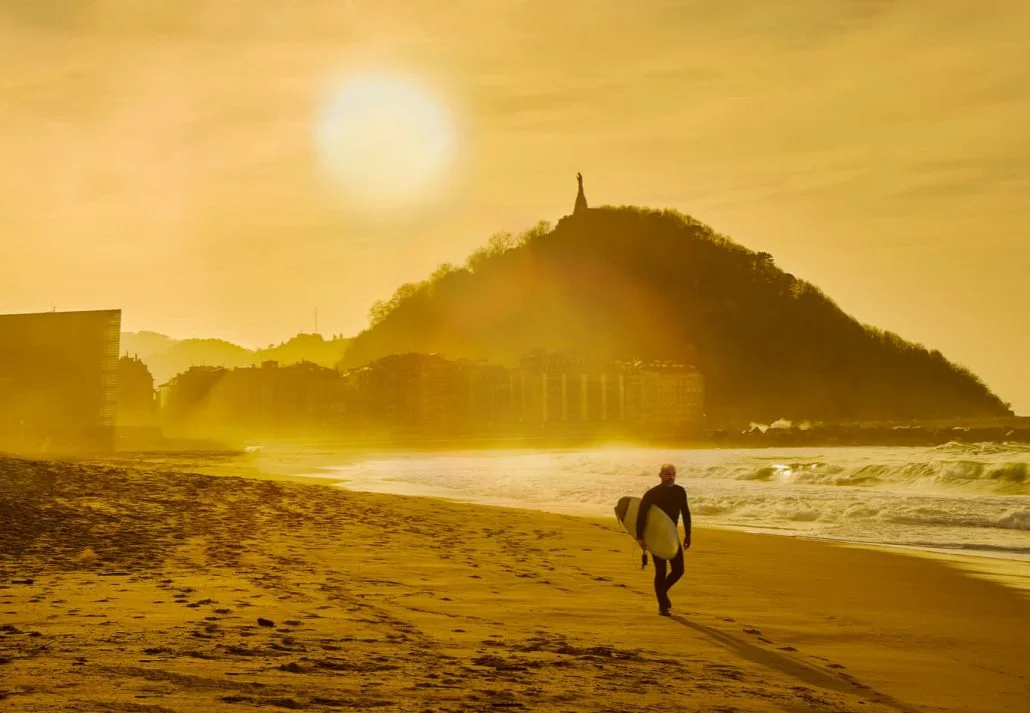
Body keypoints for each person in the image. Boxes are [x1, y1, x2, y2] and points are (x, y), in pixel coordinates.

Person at [635, 463, 691, 616]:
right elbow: (641, 515)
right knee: (661, 570)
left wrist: (688, 534)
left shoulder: (680, 491)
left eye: (673, 473)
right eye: (667, 474)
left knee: (679, 569)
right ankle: (662, 606)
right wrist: (640, 537)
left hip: (672, 536)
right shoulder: (652, 494)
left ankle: (662, 591)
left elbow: (685, 512)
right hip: (655, 536)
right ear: (660, 475)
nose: (671, 477)